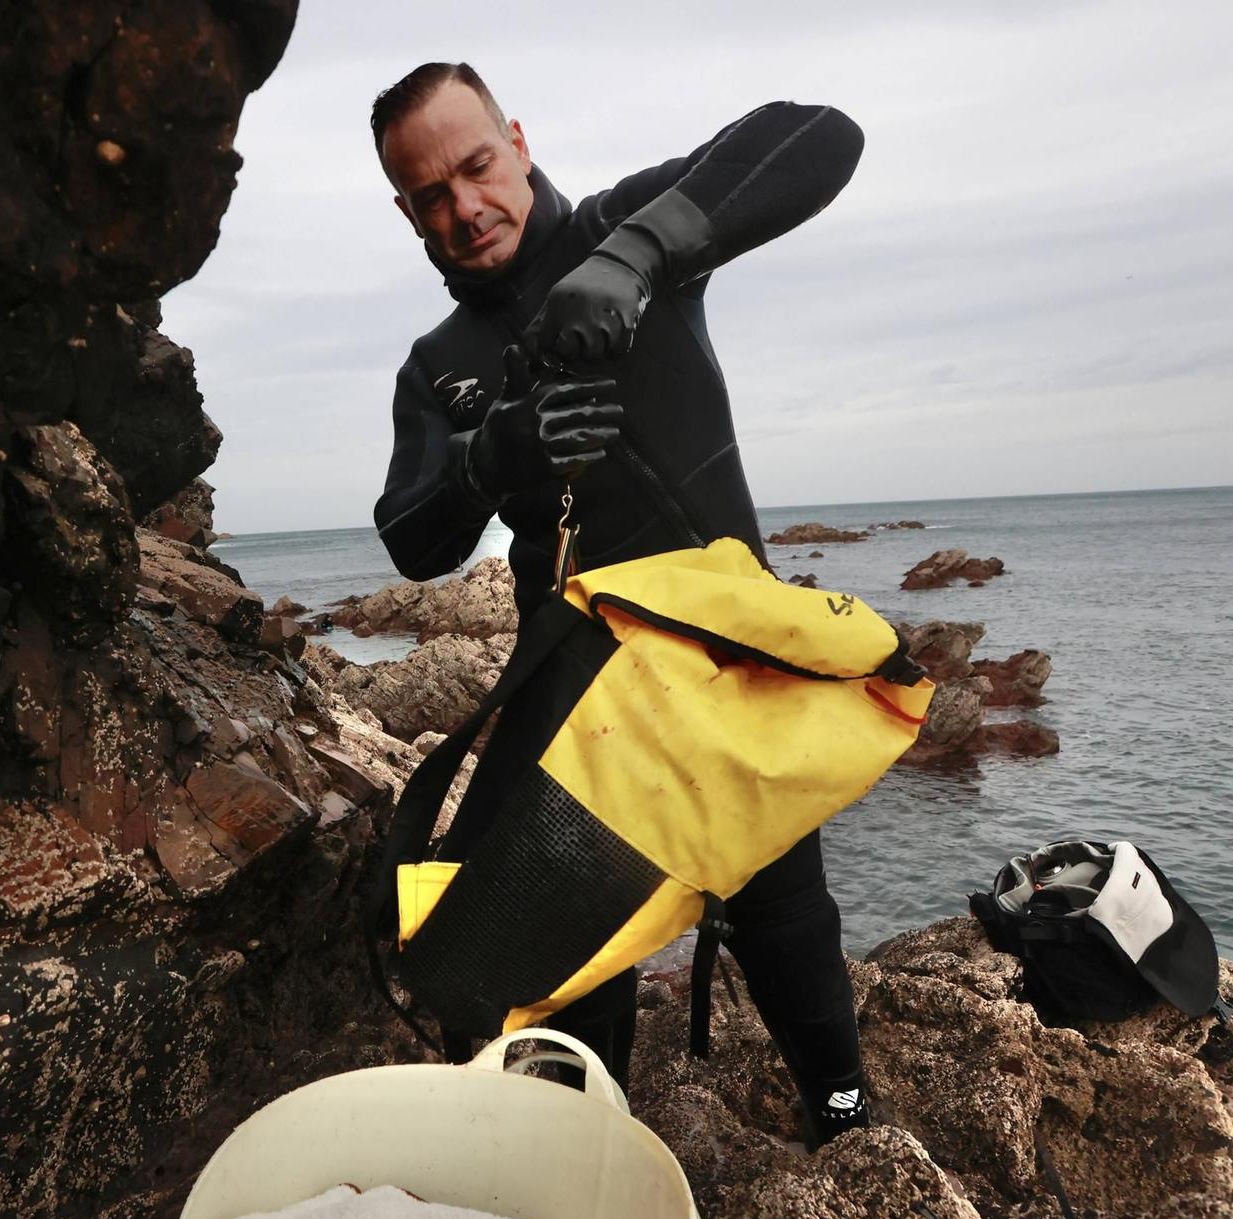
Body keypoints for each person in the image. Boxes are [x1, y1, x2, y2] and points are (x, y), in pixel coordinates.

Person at [369, 61, 873, 1143]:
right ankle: (587, 1158)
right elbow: (410, 537)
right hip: (579, 685)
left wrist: (637, 255)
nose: (463, 206)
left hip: (727, 653)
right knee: (567, 943)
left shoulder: (618, 229)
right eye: (429, 195)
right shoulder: (437, 366)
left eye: (476, 166)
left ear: (517, 139)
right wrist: (487, 454)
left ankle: (842, 1113)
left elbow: (816, 133)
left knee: (780, 913)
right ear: (406, 212)